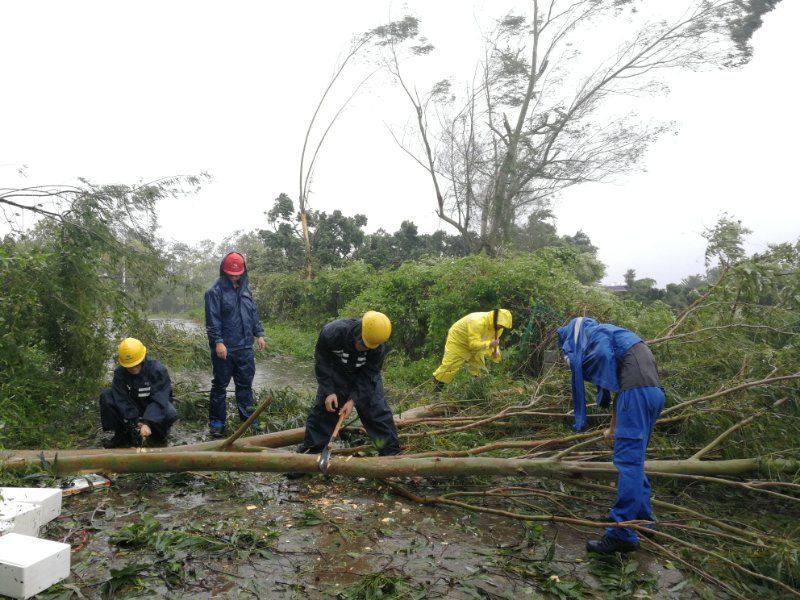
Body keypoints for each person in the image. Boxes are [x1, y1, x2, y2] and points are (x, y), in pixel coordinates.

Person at [557, 317, 665, 554]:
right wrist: (614, 426)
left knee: (628, 465)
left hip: (635, 397)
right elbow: (620, 386)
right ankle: (642, 521)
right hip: (653, 395)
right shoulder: (618, 335)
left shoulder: (599, 335)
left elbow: (603, 362)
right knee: (635, 463)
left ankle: (621, 532)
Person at [295, 311, 400, 462]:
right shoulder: (332, 333)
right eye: (363, 344)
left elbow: (369, 375)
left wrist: (352, 400)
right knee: (325, 411)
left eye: (369, 347)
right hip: (337, 374)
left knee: (377, 414)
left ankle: (391, 456)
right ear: (358, 332)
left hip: (363, 377)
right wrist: (329, 391)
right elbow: (322, 361)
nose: (365, 348)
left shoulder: (378, 347)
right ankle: (311, 455)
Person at [204, 251, 266, 438]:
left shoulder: (245, 289)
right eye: (231, 273)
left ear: (243, 272)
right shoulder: (214, 292)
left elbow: (252, 313)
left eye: (238, 273)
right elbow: (212, 319)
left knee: (245, 385)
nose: (234, 276)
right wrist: (218, 342)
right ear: (224, 271)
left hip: (245, 348)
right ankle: (217, 423)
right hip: (225, 349)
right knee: (220, 386)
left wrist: (259, 334)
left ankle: (248, 419)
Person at [100, 338, 177, 448]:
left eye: (136, 364)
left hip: (153, 408)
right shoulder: (119, 374)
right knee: (106, 396)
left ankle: (158, 435)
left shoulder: (157, 370)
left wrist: (148, 422)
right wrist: (135, 421)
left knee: (170, 411)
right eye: (129, 366)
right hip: (134, 408)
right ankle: (122, 434)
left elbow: (161, 399)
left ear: (143, 357)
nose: (133, 368)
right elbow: (122, 400)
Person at [432, 309, 513, 389]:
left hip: (477, 342)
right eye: (500, 325)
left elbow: (494, 341)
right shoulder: (477, 321)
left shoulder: (498, 328)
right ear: (495, 320)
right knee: (450, 366)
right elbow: (473, 344)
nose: (501, 328)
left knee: (479, 368)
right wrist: (490, 344)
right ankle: (436, 391)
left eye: (503, 326)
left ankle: (478, 391)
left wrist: (495, 351)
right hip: (458, 340)